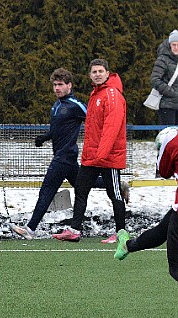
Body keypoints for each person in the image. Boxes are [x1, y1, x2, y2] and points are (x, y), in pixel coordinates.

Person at [10, 68, 129, 241]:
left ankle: (31, 228)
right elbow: (58, 130)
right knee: (83, 185)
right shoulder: (57, 105)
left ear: (69, 85)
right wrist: (45, 137)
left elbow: (95, 119)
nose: (57, 88)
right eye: (55, 85)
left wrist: (102, 144)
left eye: (60, 85)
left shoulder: (75, 105)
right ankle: (118, 186)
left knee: (47, 190)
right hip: (64, 156)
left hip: (65, 157)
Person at [54, 59, 127, 243]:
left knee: (114, 194)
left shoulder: (112, 94)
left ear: (107, 73)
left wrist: (102, 154)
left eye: (100, 71)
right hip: (93, 156)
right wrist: (92, 155)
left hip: (107, 157)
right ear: (90, 75)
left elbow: (112, 127)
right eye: (94, 71)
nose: (97, 74)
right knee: (81, 188)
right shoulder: (96, 94)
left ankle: (121, 233)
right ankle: (74, 229)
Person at [114, 128, 178, 282]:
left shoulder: (172, 139)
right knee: (164, 228)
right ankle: (128, 246)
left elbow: (163, 171)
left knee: (175, 268)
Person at [151, 29, 178, 125]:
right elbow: (155, 80)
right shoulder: (163, 59)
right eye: (173, 45)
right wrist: (172, 93)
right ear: (169, 45)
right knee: (169, 136)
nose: (176, 47)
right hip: (167, 105)